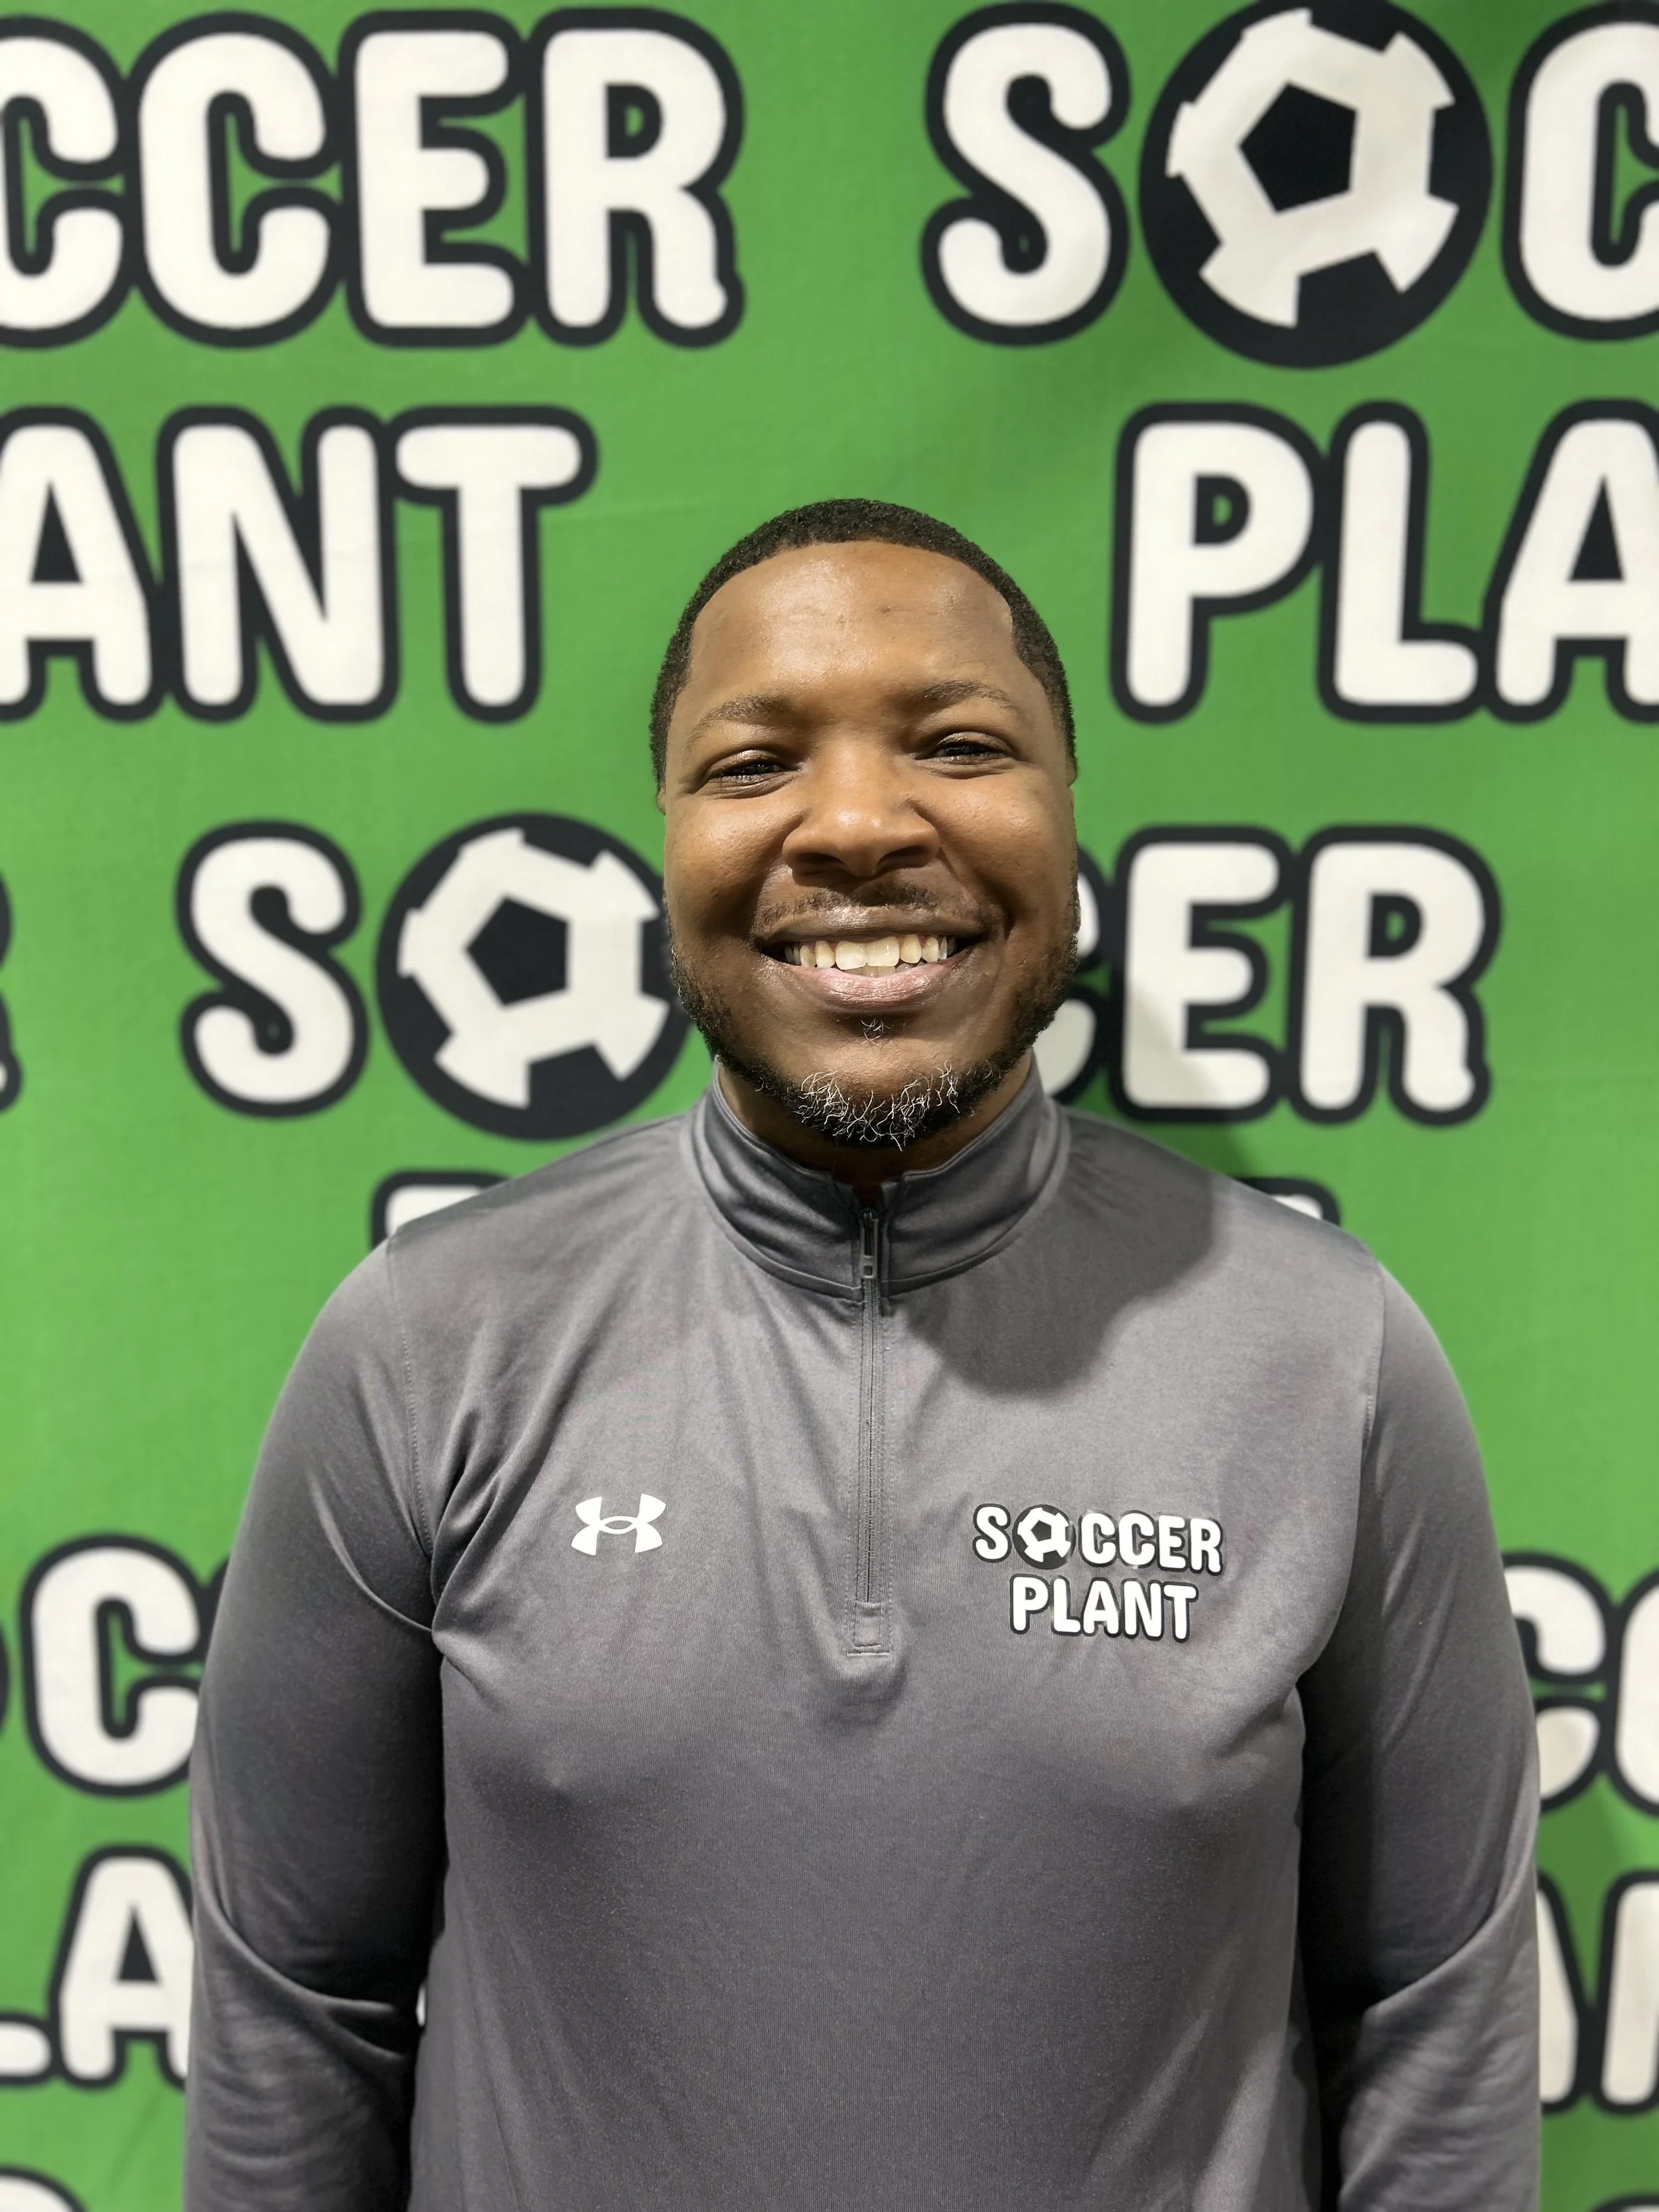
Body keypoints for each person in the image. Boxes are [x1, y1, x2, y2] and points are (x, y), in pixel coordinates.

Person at [185, 499, 1539, 2211]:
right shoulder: (426, 1343)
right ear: (665, 842)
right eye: (753, 766)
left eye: (960, 745)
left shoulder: (1328, 1351)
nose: (854, 825)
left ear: (1068, 819)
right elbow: (300, 2007)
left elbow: (1432, 2008)